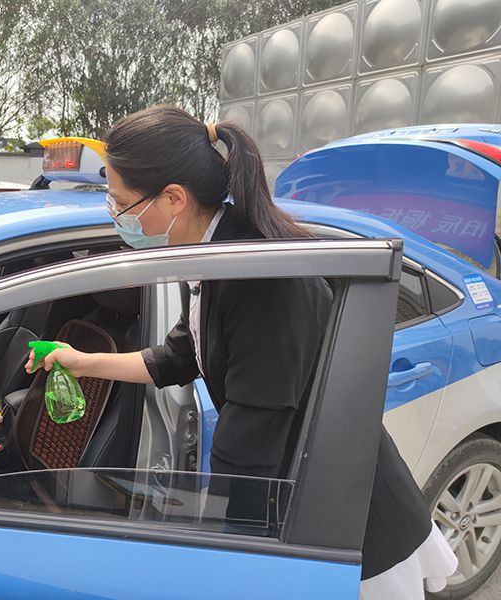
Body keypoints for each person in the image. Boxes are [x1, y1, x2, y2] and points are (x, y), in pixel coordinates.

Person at [25, 105, 457, 598]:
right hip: (298, 507)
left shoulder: (260, 281)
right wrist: (80, 361)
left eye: (120, 203)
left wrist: (226, 557)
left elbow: (249, 444)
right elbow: (177, 358)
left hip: (347, 531)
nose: (114, 214)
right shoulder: (210, 256)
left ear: (173, 199)